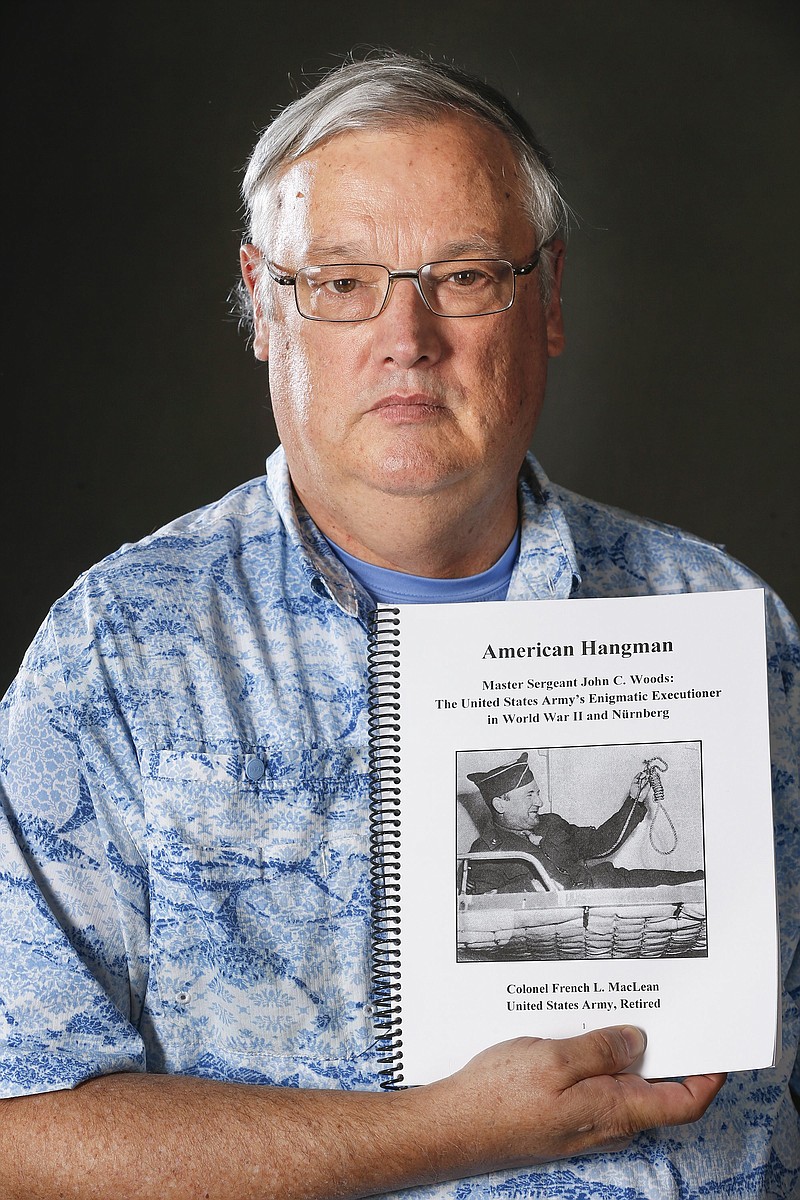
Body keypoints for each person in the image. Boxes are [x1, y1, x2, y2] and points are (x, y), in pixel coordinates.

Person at [0, 51, 797, 1200]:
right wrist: (445, 1131)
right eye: (339, 282)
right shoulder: (119, 657)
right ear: (265, 306)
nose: (405, 335)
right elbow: (21, 1129)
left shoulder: (730, 626)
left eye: (465, 275)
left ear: (550, 297)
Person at [464, 752, 705, 893]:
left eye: (538, 793)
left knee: (694, 883)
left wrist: (634, 800)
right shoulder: (485, 852)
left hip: (611, 883)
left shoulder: (551, 824)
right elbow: (485, 910)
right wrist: (529, 887)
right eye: (530, 795)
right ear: (500, 804)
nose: (540, 802)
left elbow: (601, 844)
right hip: (584, 914)